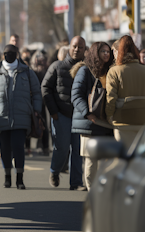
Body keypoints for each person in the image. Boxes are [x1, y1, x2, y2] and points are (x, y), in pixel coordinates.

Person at [0, 44, 42, 189]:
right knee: (5, 149)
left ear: (17, 54)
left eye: (12, 53)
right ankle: (7, 176)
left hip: (21, 117)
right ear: (3, 55)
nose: (9, 55)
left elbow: (37, 92)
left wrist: (36, 110)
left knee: (18, 147)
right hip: (0, 117)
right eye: (7, 53)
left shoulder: (26, 71)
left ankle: (20, 179)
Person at [42, 36, 86, 190]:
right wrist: (53, 111)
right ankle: (55, 170)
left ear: (84, 49)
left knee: (78, 150)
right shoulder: (57, 66)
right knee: (62, 147)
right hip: (61, 114)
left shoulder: (87, 69)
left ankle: (76, 182)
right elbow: (45, 88)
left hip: (80, 116)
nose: (76, 49)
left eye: (80, 47)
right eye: (74, 46)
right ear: (69, 47)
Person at [70, 42, 115, 191]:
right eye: (103, 51)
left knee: (106, 160)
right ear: (95, 52)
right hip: (90, 123)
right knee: (90, 160)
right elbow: (76, 95)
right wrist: (87, 113)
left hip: (106, 123)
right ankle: (92, 191)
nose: (106, 54)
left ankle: (103, 190)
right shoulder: (85, 70)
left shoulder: (111, 71)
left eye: (108, 51)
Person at [106, 35, 145, 149]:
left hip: (123, 121)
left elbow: (111, 97)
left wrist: (109, 115)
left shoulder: (114, 71)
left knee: (124, 158)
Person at [31, 50, 50, 155]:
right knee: (38, 123)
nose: (41, 62)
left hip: (43, 100)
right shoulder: (33, 71)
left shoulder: (46, 70)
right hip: (38, 99)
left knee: (42, 124)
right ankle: (41, 146)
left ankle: (44, 146)